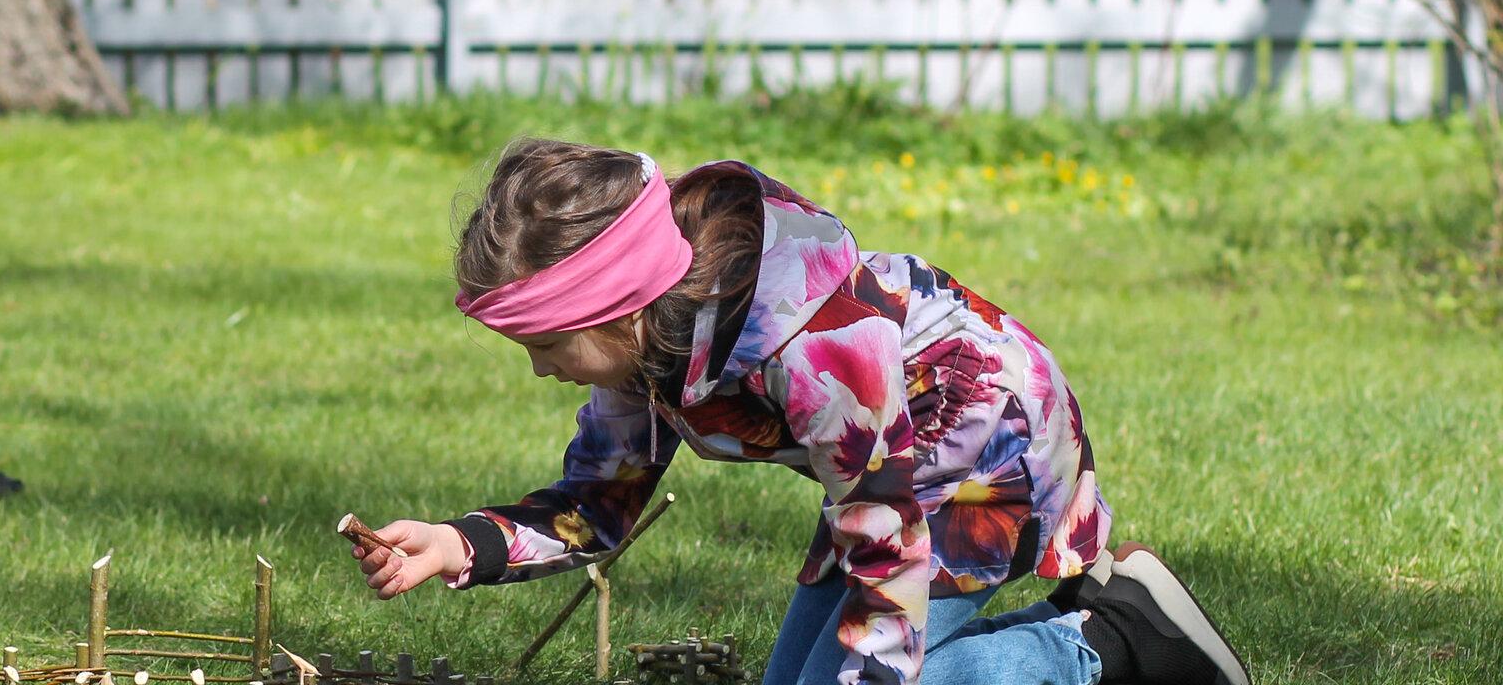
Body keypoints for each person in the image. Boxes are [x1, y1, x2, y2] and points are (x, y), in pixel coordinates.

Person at [350, 139, 1249, 685]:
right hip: (888, 471)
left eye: (548, 347)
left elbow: (887, 542)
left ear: (618, 309)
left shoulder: (806, 339)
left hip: (983, 449)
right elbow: (603, 500)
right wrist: (461, 542)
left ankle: (1108, 637)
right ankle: (1116, 617)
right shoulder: (644, 345)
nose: (543, 372)